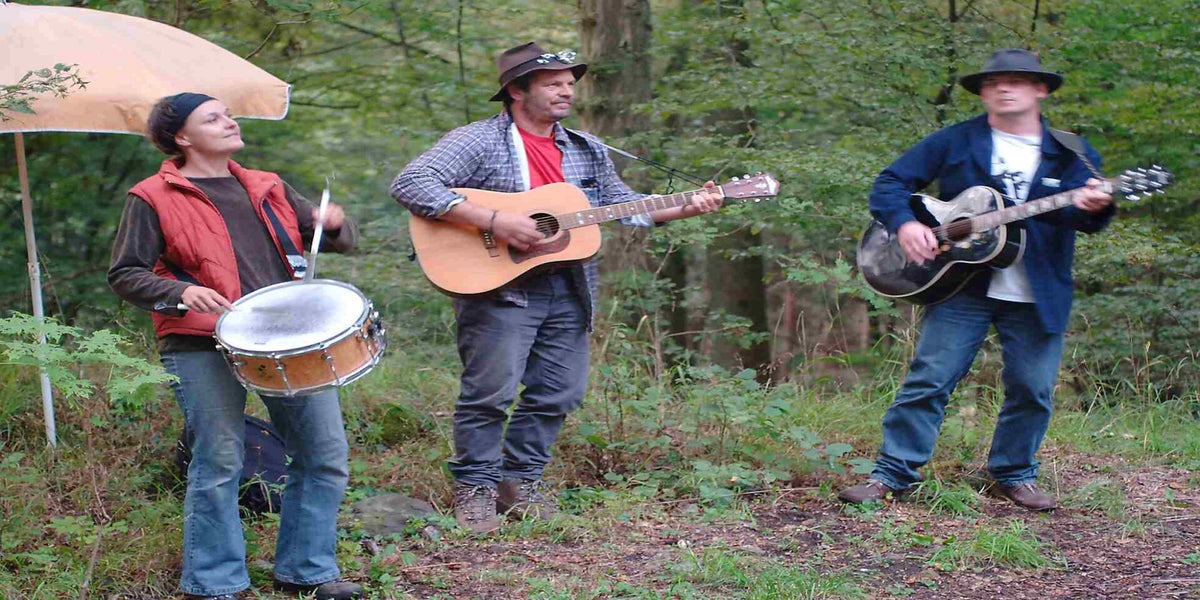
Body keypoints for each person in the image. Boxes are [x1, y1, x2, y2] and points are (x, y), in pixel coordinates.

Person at [391, 42, 723, 533]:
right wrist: (495, 220)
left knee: (560, 392)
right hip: (498, 286)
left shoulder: (586, 147)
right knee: (490, 394)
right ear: (516, 90)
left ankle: (520, 483)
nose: (566, 90)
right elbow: (412, 182)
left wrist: (687, 206)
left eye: (570, 83)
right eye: (552, 83)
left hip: (569, 286)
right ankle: (475, 488)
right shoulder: (477, 140)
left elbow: (623, 204)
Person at [108, 93, 363, 600]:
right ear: (183, 137)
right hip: (200, 341)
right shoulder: (151, 196)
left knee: (323, 453)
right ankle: (214, 584)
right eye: (214, 118)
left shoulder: (268, 186)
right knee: (219, 461)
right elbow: (126, 273)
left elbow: (331, 240)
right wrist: (180, 293)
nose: (230, 122)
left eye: (228, 114)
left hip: (290, 341)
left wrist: (333, 225)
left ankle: (307, 572)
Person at [840, 49, 1116, 512]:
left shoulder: (1072, 151)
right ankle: (892, 474)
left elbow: (1081, 219)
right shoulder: (956, 140)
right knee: (930, 378)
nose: (1003, 88)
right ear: (983, 93)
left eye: (1017, 80)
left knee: (1033, 388)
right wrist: (906, 224)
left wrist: (1096, 206)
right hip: (960, 284)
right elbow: (889, 183)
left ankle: (1014, 473)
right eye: (993, 82)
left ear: (1041, 89)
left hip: (1038, 290)